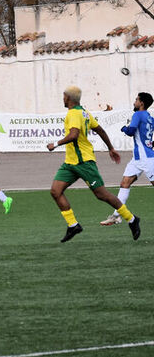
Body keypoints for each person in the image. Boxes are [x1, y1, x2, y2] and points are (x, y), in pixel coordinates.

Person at [46, 85, 140, 242]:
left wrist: (55, 143)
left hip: (83, 162)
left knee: (101, 194)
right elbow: (100, 130)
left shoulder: (75, 113)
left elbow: (74, 135)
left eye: (63, 96)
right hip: (70, 162)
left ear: (68, 98)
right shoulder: (84, 112)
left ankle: (131, 219)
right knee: (55, 191)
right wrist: (111, 148)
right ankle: (73, 225)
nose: (63, 98)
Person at [101, 92, 154, 225]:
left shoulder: (138, 114)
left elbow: (131, 131)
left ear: (141, 103)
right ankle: (116, 215)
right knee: (124, 183)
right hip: (138, 159)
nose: (134, 102)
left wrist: (124, 128)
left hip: (146, 159)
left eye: (136, 100)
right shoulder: (149, 117)